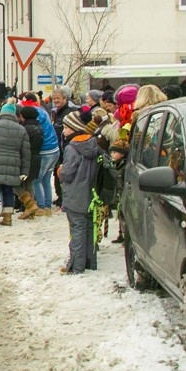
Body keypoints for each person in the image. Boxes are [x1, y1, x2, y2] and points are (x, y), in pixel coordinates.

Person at [59, 109, 103, 274]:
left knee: (77, 229)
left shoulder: (72, 148)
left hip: (76, 195)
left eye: (66, 127)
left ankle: (77, 267)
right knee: (89, 229)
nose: (64, 131)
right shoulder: (93, 144)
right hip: (91, 194)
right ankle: (90, 263)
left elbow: (68, 174)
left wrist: (60, 171)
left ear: (75, 128)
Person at [16, 105, 44, 219]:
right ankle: (30, 210)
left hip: (26, 158)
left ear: (23, 116)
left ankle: (30, 205)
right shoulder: (38, 127)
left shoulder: (25, 129)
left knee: (15, 184)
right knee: (29, 184)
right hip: (36, 158)